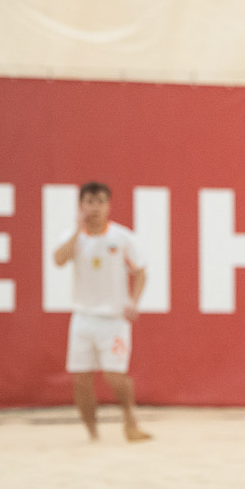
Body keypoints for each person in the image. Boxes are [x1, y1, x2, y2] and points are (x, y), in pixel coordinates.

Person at [51, 181, 152, 443]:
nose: (95, 207)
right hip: (82, 318)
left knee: (114, 376)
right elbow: (59, 260)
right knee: (81, 379)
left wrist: (134, 302)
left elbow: (141, 271)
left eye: (100, 202)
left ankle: (130, 421)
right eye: (89, 202)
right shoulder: (73, 237)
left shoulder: (122, 238)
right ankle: (93, 434)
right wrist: (77, 229)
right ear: (80, 205)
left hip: (114, 320)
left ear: (109, 206)